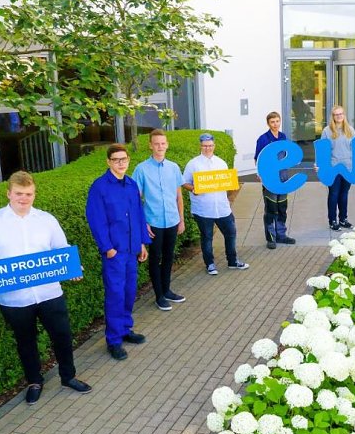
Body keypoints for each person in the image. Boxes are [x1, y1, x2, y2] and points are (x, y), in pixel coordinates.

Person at [0, 171, 92, 405]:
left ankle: (68, 376)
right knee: (26, 341)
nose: (23, 199)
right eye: (18, 194)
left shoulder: (47, 220)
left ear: (34, 194)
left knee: (62, 336)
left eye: (28, 194)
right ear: (9, 194)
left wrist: (73, 267)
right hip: (14, 298)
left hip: (49, 293)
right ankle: (34, 381)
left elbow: (60, 249)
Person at [86, 144, 150, 361]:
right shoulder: (100, 187)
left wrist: (142, 242)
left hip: (132, 249)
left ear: (129, 160)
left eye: (124, 159)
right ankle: (113, 340)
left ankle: (124, 329)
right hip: (115, 252)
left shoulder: (131, 184)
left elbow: (139, 215)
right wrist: (107, 248)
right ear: (108, 162)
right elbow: (96, 220)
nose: (121, 163)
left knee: (129, 291)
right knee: (115, 294)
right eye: (116, 160)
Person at [132, 129, 186, 312]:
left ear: (167, 144)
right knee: (155, 259)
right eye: (156, 143)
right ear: (150, 145)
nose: (160, 147)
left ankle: (167, 290)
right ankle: (159, 296)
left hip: (172, 220)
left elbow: (179, 196)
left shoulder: (174, 168)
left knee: (169, 257)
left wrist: (181, 219)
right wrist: (143, 224)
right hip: (153, 223)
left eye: (163, 143)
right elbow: (135, 200)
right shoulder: (141, 169)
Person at [183, 133, 250, 275]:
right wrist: (193, 189)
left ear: (214, 146)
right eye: (205, 146)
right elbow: (185, 182)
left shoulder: (221, 163)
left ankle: (232, 261)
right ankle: (210, 264)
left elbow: (227, 182)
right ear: (200, 146)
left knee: (230, 233)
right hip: (203, 208)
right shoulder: (193, 163)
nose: (208, 148)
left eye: (210, 145)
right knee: (207, 237)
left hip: (222, 207)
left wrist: (232, 186)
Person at [254, 111, 296, 249]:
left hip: (283, 178)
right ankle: (271, 238)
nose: (275, 124)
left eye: (277, 121)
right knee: (271, 208)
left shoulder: (283, 136)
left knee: (282, 208)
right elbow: (258, 159)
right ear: (268, 123)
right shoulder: (263, 139)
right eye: (272, 122)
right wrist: (260, 173)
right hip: (270, 179)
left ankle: (281, 235)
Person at [319, 105, 355, 231]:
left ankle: (343, 219)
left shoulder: (350, 130)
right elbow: (322, 151)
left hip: (348, 167)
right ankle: (332, 220)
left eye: (341, 114)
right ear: (333, 116)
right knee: (334, 194)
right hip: (333, 168)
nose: (339, 116)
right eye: (336, 114)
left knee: (344, 194)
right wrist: (320, 165)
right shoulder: (327, 131)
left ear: (344, 115)